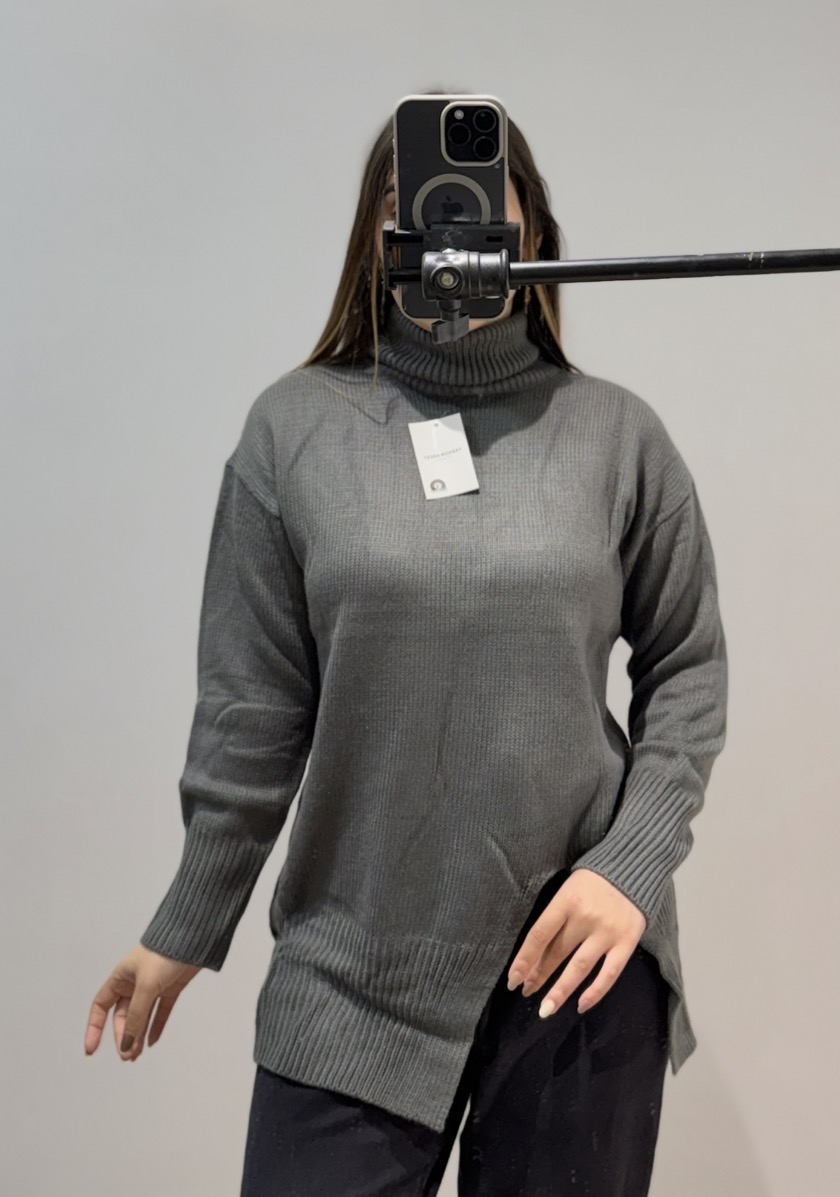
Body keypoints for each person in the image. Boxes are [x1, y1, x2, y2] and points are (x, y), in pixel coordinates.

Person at [84, 94, 728, 1196]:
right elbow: (252, 712)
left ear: (531, 224)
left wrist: (627, 871)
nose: (444, 217)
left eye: (479, 192)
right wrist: (189, 919)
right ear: (374, 236)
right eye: (409, 197)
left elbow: (690, 670)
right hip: (352, 975)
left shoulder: (618, 436)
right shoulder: (293, 432)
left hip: (575, 964)